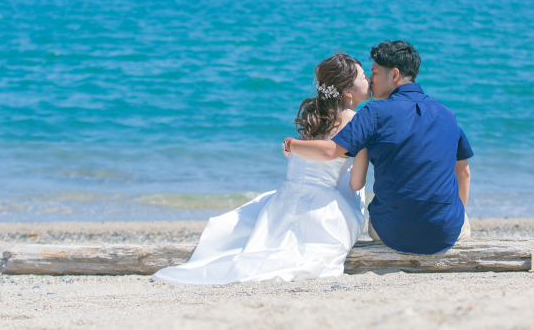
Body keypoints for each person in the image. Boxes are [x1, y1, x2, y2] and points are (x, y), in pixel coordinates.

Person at [152, 53, 371, 284]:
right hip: (319, 210)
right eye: (364, 77)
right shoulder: (354, 119)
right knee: (353, 194)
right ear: (347, 91)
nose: (369, 81)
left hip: (282, 202)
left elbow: (298, 157)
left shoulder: (316, 115)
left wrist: (291, 146)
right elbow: (354, 180)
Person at [282, 40, 473, 254]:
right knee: (459, 217)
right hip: (444, 233)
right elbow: (463, 173)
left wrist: (290, 144)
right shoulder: (447, 114)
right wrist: (454, 214)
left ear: (394, 75)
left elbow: (331, 150)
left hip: (391, 232)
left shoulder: (373, 113)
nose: (370, 80)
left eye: (374, 72)